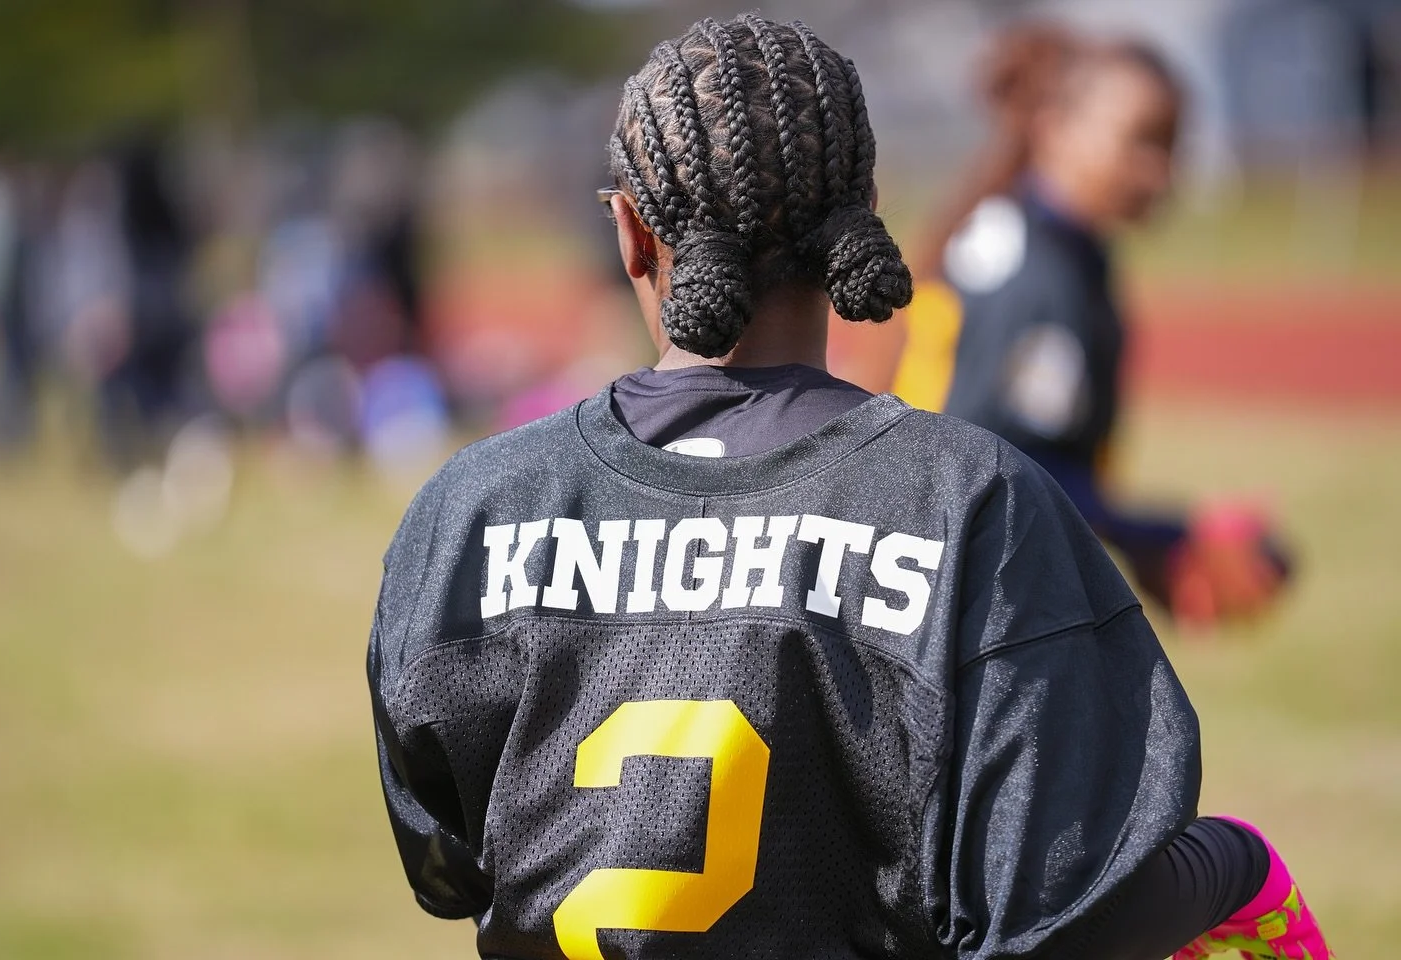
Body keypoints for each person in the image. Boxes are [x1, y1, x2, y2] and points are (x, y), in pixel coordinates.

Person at [367, 16, 1333, 960]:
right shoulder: (975, 503)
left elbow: (452, 864)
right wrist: (1235, 866)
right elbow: (1062, 915)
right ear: (861, 215)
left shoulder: (469, 511)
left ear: (628, 230)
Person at [893, 32, 1290, 629]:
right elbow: (985, 463)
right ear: (1056, 130)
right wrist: (1158, 534)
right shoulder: (1033, 274)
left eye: (1172, 146)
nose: (1160, 171)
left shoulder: (1065, 253)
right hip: (947, 595)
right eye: (1142, 142)